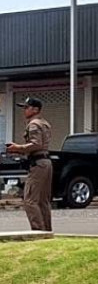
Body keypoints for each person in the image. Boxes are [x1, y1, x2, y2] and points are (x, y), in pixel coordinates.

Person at [5, 96, 53, 232]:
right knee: (42, 201)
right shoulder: (44, 123)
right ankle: (46, 231)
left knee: (30, 200)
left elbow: (36, 144)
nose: (24, 110)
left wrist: (18, 147)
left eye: (27, 108)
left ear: (35, 109)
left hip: (38, 164)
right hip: (45, 162)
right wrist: (19, 151)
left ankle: (38, 231)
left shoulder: (34, 124)